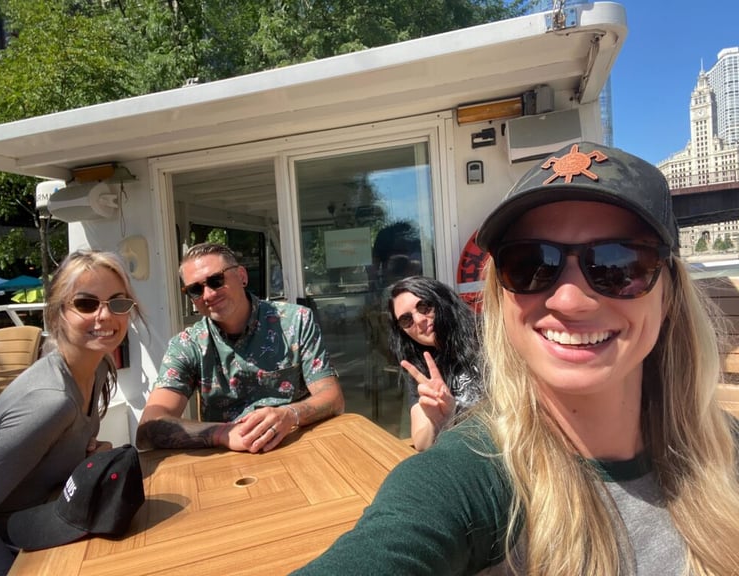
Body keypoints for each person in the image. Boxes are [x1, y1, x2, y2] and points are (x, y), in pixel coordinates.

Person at [291, 142, 739, 575]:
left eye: (618, 264)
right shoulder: (472, 478)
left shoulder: (727, 447)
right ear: (501, 299)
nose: (569, 300)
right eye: (529, 264)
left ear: (669, 296)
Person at [0, 250, 141, 576]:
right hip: (5, 544)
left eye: (118, 303)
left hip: (52, 516)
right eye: (87, 304)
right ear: (58, 312)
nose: (105, 316)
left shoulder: (100, 366)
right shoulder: (50, 402)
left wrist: (87, 456)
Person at [136, 242, 345, 453]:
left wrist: (290, 414)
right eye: (195, 289)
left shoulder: (296, 322)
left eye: (216, 280)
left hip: (297, 444)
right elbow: (148, 429)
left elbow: (333, 397)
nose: (208, 295)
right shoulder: (187, 345)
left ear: (242, 276)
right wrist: (221, 434)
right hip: (231, 459)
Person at [387, 276, 482, 450]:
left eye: (424, 307)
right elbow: (422, 443)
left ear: (441, 299)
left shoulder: (487, 334)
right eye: (406, 320)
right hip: (466, 453)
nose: (419, 320)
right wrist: (437, 421)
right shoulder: (420, 368)